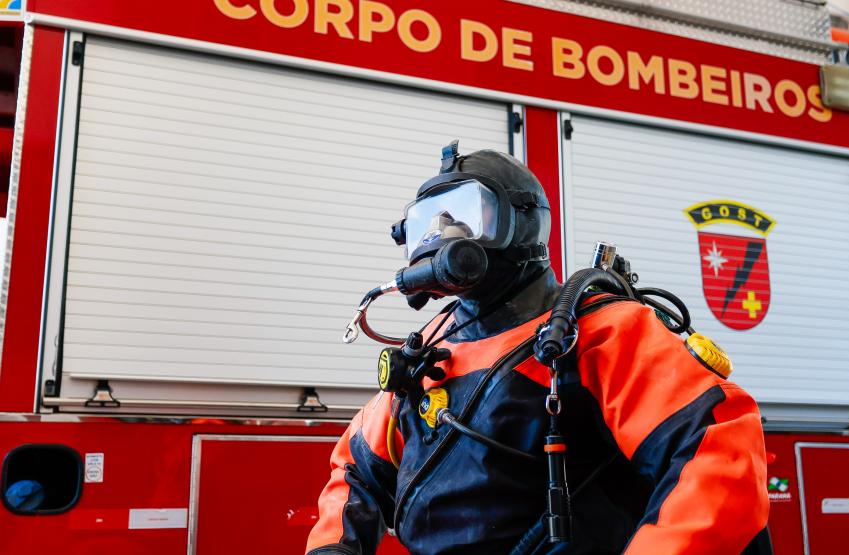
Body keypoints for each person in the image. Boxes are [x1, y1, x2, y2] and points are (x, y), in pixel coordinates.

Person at [306, 144, 770, 554]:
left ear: (519, 221)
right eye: (429, 220)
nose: (443, 231)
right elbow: (356, 469)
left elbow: (716, 450)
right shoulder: (427, 352)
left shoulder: (600, 330)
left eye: (468, 212)